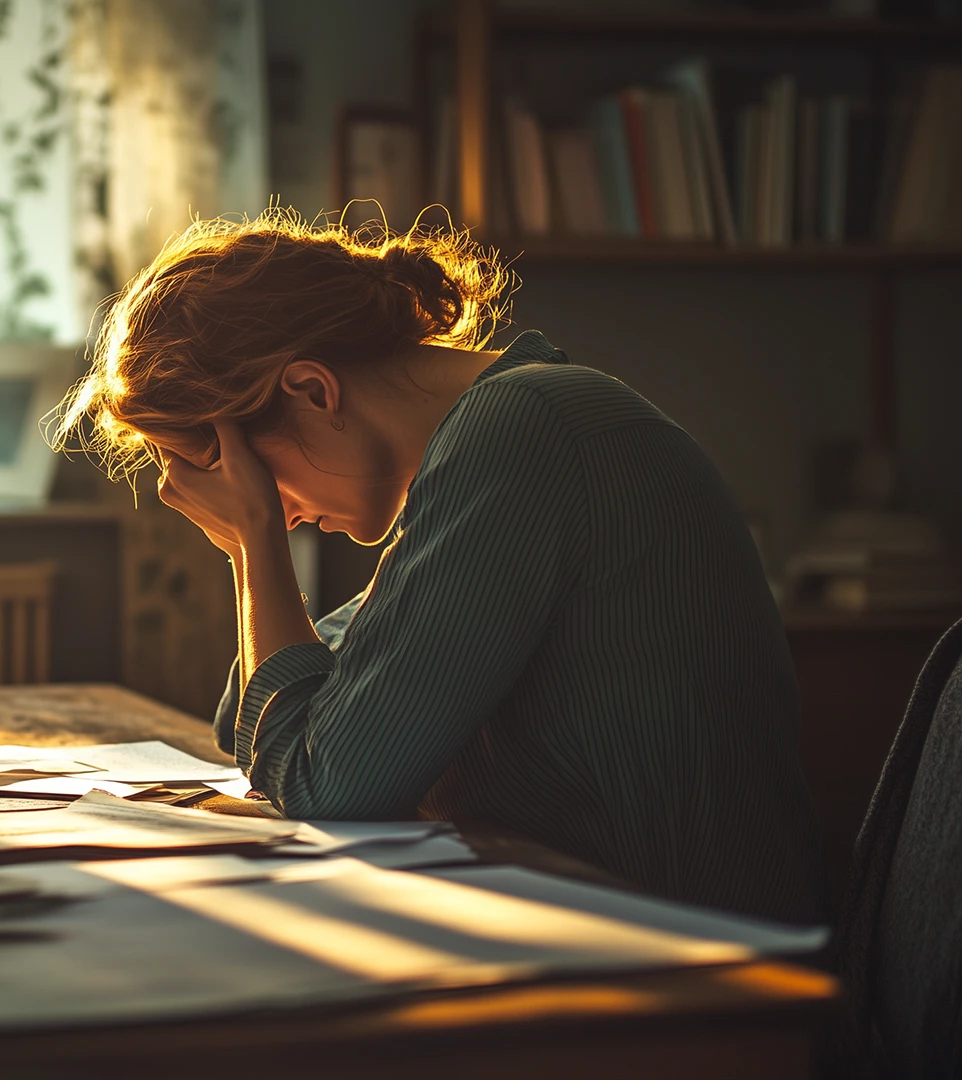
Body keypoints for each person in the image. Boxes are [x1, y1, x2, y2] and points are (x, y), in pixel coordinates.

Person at [55, 210, 826, 924]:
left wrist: (258, 542)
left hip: (696, 976)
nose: (279, 509)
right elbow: (252, 716)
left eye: (241, 472)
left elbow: (326, 788)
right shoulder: (487, 446)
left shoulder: (524, 432)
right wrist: (250, 544)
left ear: (312, 390)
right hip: (598, 929)